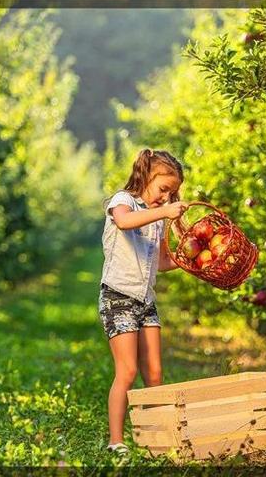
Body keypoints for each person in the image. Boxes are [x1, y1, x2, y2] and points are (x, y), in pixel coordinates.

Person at [99, 148, 187, 453]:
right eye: (163, 189)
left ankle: (155, 439)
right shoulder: (123, 201)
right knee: (127, 371)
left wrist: (192, 262)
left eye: (172, 194)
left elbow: (162, 261)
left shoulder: (158, 218)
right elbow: (124, 223)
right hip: (118, 297)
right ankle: (116, 441)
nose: (166, 198)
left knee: (154, 372)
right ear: (146, 176)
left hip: (145, 300)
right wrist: (163, 212)